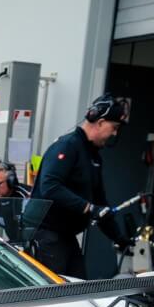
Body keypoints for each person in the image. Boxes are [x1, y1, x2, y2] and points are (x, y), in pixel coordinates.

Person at [32, 94, 129, 277]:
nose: (115, 134)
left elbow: (100, 203)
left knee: (79, 290)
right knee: (53, 295)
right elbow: (50, 186)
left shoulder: (93, 156)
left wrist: (120, 239)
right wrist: (88, 208)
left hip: (67, 237)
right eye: (114, 127)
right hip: (48, 236)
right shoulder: (67, 145)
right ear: (100, 123)